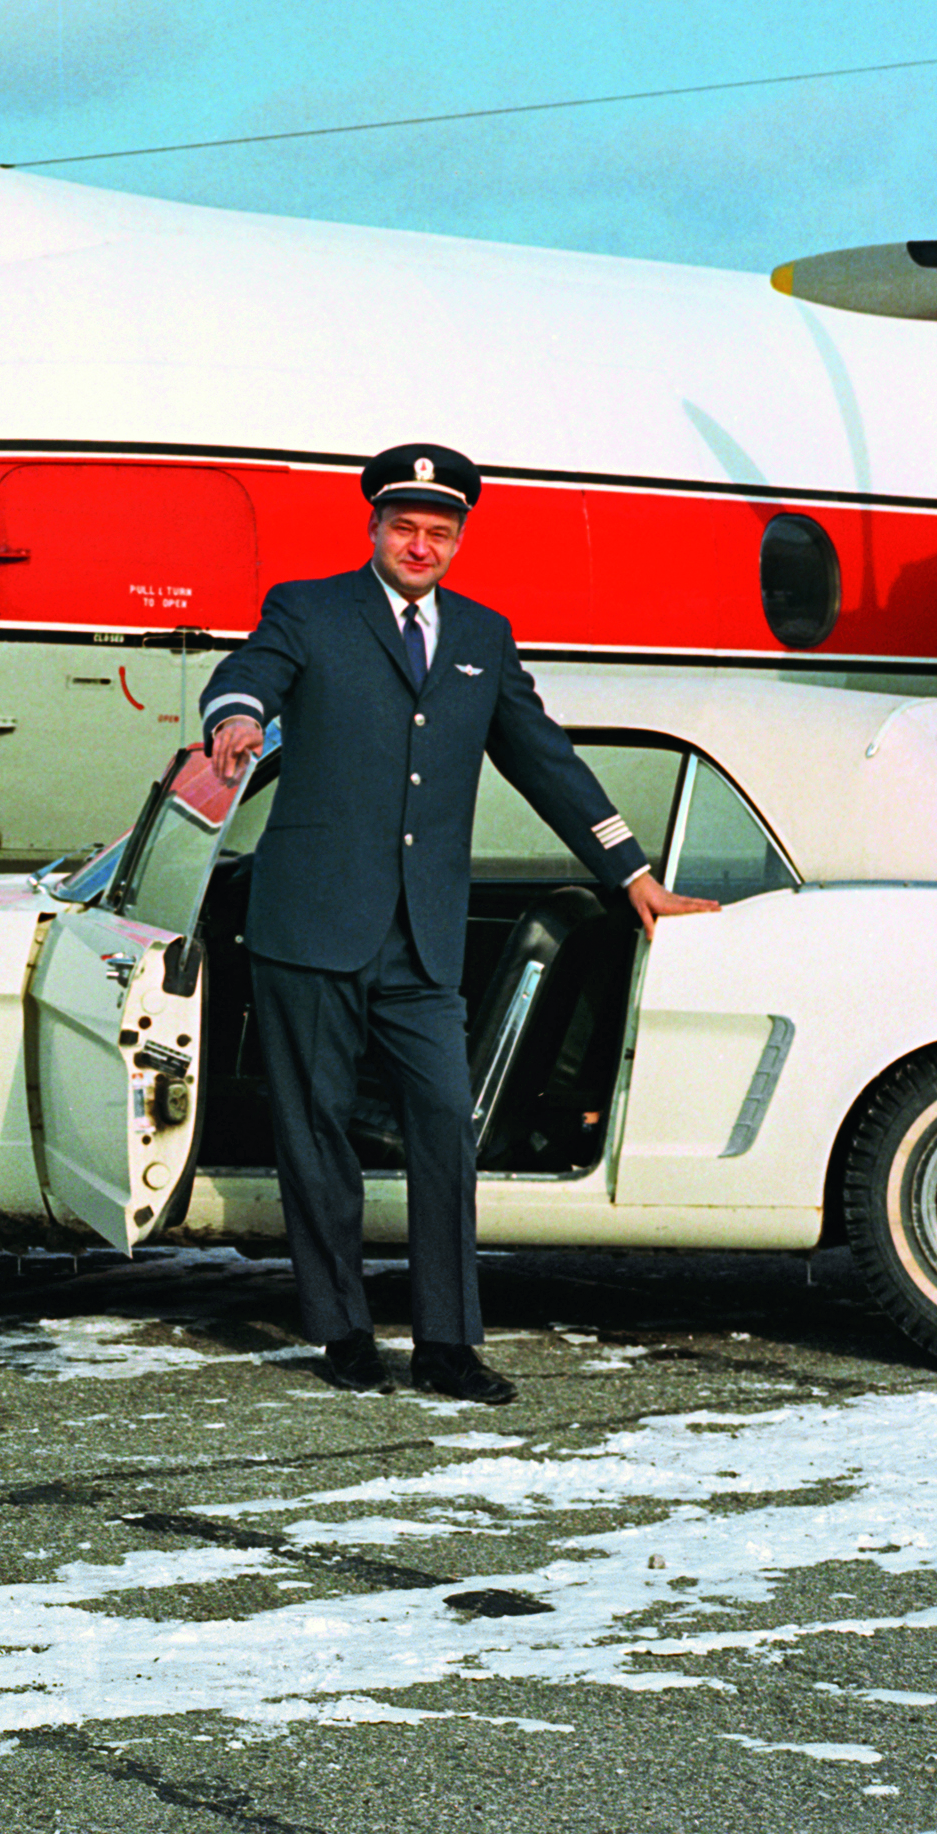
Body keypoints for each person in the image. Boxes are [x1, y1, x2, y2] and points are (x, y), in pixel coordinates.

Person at [200, 442, 714, 1404]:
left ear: (460, 538)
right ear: (375, 529)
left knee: (444, 1124)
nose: (421, 544)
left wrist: (631, 871)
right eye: (406, 527)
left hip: (422, 934)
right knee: (315, 1133)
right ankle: (343, 1331)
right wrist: (234, 720)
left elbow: (545, 759)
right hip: (309, 921)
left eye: (440, 532)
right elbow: (247, 675)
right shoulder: (309, 609)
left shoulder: (483, 633)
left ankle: (447, 1342)